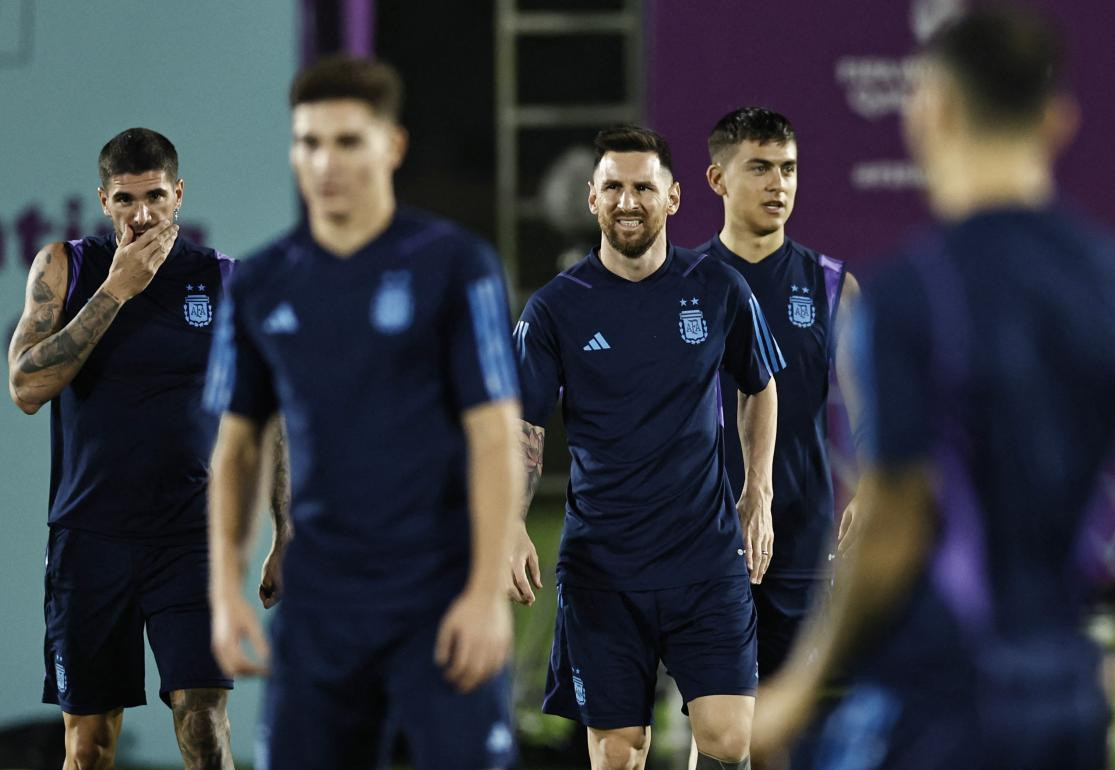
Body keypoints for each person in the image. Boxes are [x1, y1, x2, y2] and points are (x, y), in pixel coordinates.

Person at [751, 5, 1115, 768]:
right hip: (1069, 708)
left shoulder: (914, 292)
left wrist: (801, 687)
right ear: (1057, 119)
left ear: (931, 110)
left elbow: (894, 522)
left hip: (939, 707)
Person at [203, 56, 523, 770]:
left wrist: (483, 591)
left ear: (393, 146)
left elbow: (494, 436)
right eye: (309, 142)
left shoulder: (456, 265)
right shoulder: (259, 282)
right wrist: (225, 589)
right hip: (320, 610)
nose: (325, 162)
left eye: (348, 141)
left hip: (439, 598)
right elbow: (238, 448)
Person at [509, 124, 782, 770]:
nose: (627, 201)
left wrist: (758, 491)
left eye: (642, 187)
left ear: (675, 198)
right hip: (604, 569)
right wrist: (511, 523)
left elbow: (760, 385)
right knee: (618, 755)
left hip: (704, 559)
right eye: (613, 188)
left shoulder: (717, 288)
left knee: (727, 742)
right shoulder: (555, 309)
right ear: (591, 198)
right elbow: (524, 426)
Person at [6, 128, 264, 769]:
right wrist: (116, 291)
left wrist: (285, 532)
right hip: (89, 540)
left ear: (178, 195)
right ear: (103, 200)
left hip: (189, 537)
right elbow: (26, 387)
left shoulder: (222, 279)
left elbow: (268, 412)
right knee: (88, 746)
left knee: (203, 723)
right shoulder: (64, 267)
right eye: (125, 199)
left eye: (154, 196)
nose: (141, 214)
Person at [699, 106, 868, 682]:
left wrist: (870, 485)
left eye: (789, 169)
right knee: (719, 723)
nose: (779, 184)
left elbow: (873, 409)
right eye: (761, 168)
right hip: (700, 533)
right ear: (718, 180)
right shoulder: (681, 281)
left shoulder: (831, 285)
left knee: (785, 727)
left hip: (800, 536)